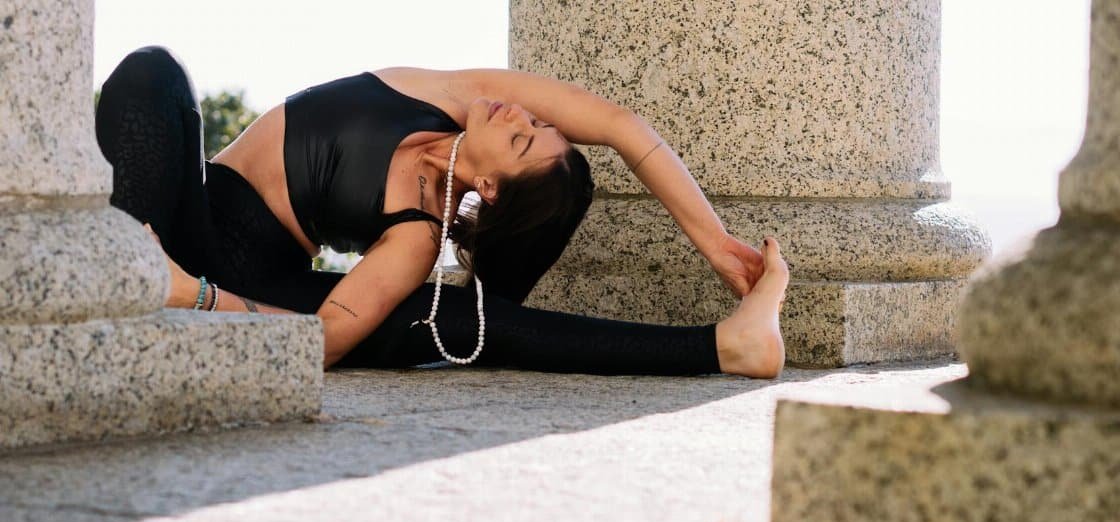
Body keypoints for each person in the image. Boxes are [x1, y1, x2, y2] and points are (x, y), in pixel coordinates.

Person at [95, 45, 788, 378]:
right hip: (191, 211)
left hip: (240, 275)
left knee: (455, 321)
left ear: (488, 188)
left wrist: (199, 294)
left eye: (521, 137)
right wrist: (717, 242)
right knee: (153, 75)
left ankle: (726, 345)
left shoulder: (413, 240)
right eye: (536, 122)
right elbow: (624, 126)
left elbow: (326, 340)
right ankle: (123, 284)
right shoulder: (450, 95)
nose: (520, 113)